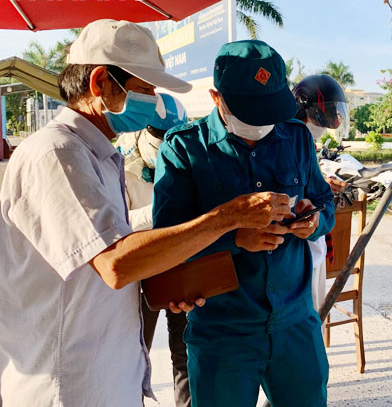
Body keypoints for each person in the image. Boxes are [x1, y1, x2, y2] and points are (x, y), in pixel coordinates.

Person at [0, 20, 292, 407]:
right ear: (101, 82)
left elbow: (113, 259)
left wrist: (172, 282)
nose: (154, 102)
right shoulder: (58, 153)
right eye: (145, 89)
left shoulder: (99, 155)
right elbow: (116, 263)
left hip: (105, 373)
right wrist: (227, 217)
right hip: (67, 382)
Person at [152, 40, 336, 407]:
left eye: (269, 110)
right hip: (223, 332)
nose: (262, 123)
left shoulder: (296, 138)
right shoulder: (185, 148)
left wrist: (313, 221)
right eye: (250, 112)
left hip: (295, 324)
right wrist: (235, 238)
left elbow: (326, 202)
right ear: (216, 97)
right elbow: (167, 243)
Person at [115, 93, 191, 407]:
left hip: (180, 265)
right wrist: (155, 212)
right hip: (139, 270)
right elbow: (113, 224)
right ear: (144, 132)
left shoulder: (188, 160)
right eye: (161, 136)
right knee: (135, 355)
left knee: (186, 351)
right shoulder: (120, 165)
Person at [293, 74, 349, 311]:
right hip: (297, 249)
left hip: (315, 244)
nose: (321, 128)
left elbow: (310, 186)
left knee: (314, 318)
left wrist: (323, 186)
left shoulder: (305, 142)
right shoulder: (287, 141)